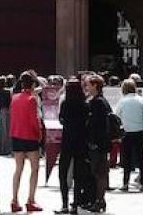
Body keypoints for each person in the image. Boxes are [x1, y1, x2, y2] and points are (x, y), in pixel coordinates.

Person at [9, 72, 45, 213]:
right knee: (34, 168)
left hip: (16, 135)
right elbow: (34, 119)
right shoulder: (32, 99)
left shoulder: (15, 97)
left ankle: (14, 199)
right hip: (29, 136)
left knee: (18, 169)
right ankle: (31, 200)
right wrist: (39, 133)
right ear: (33, 84)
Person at [57, 78, 89, 215]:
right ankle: (75, 204)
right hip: (81, 142)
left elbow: (61, 119)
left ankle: (64, 204)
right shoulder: (85, 104)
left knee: (63, 173)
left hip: (67, 141)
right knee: (78, 174)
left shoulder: (65, 103)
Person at [114, 79, 143, 192]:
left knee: (126, 158)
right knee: (141, 157)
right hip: (140, 130)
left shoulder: (122, 101)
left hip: (127, 131)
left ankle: (125, 183)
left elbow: (117, 116)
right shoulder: (142, 100)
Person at [84, 74, 112, 213]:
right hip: (103, 143)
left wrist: (93, 142)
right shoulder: (102, 101)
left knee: (98, 173)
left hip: (98, 144)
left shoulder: (97, 102)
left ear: (95, 85)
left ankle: (99, 201)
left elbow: (97, 125)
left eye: (88, 84)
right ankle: (100, 200)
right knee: (100, 172)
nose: (86, 87)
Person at [0, 76, 14, 156]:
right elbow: (10, 102)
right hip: (6, 111)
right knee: (6, 130)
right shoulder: (8, 92)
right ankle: (5, 149)